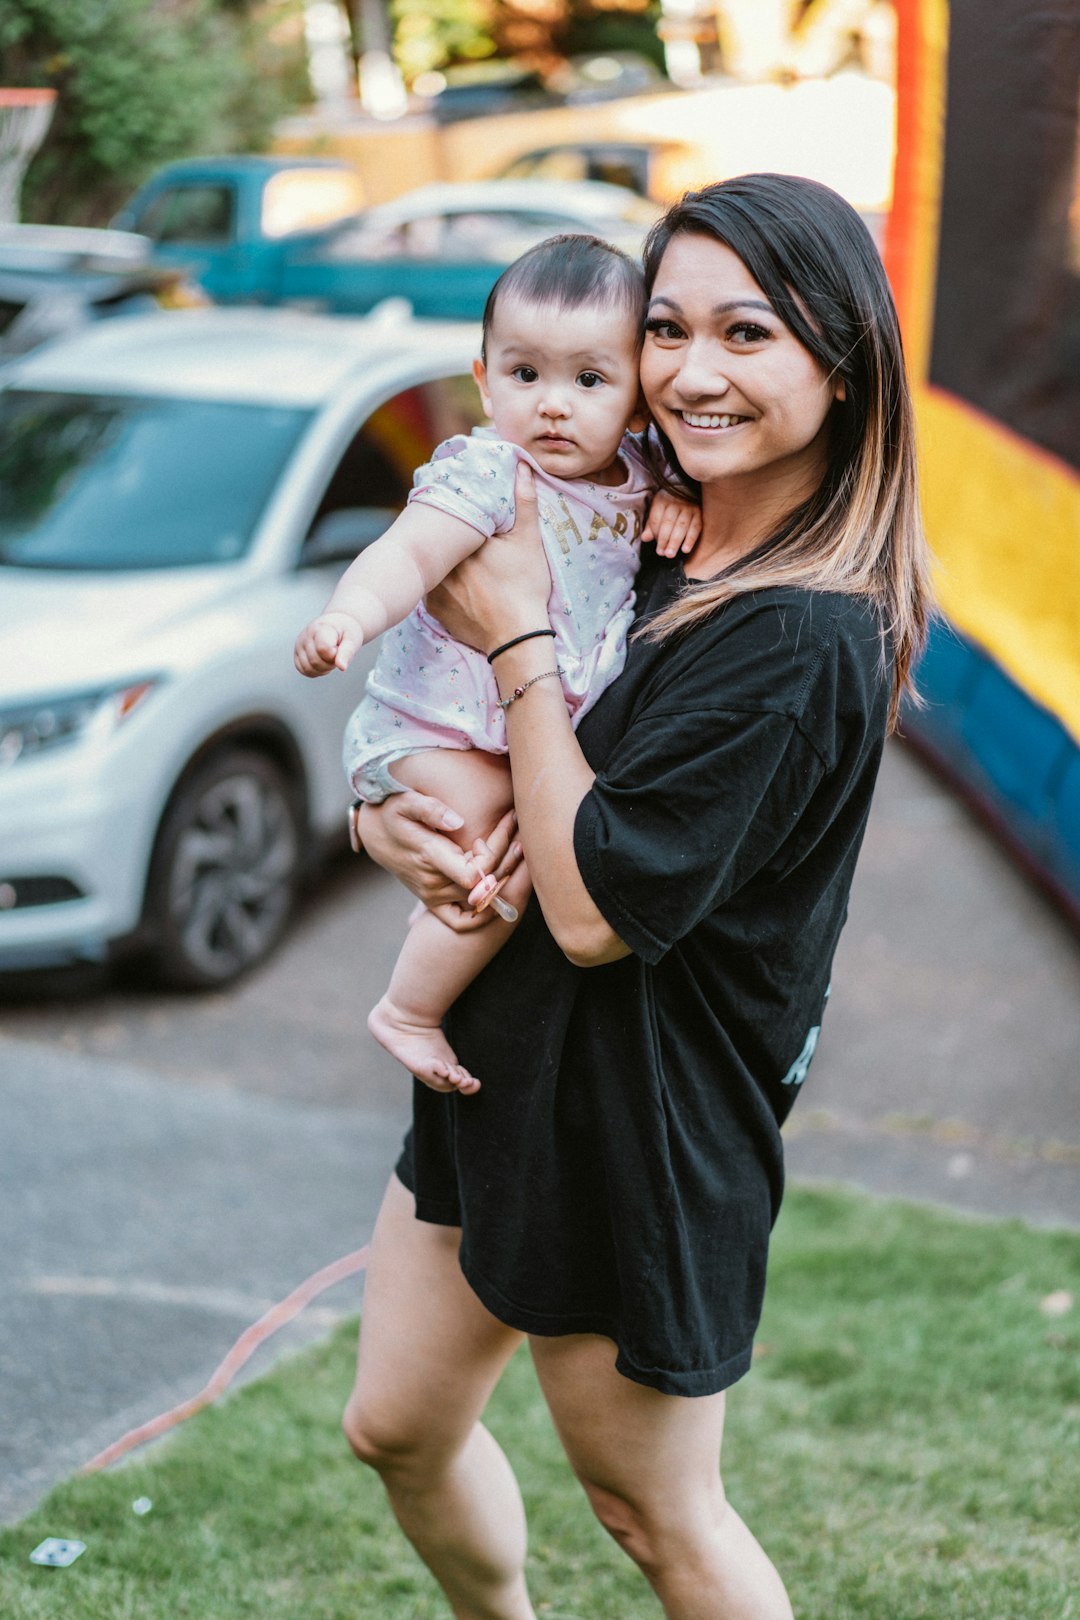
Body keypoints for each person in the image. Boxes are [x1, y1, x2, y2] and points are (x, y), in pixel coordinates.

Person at [340, 174, 932, 1620]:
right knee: (397, 1428)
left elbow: (599, 904)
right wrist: (385, 823)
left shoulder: (800, 638)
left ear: (840, 362)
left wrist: (521, 636)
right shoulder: (655, 526)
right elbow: (462, 752)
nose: (690, 372)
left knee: (653, 1514)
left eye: (749, 333)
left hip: (643, 1122)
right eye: (666, 328)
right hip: (502, 1069)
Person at [293, 234, 699, 1092]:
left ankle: (427, 970)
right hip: (432, 726)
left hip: (511, 724)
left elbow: (658, 498)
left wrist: (677, 504)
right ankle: (407, 1009)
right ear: (483, 381)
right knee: (495, 848)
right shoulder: (487, 475)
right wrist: (347, 618)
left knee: (515, 839)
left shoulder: (641, 474)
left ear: (636, 402)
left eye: (588, 380)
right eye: (525, 375)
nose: (553, 405)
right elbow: (403, 556)